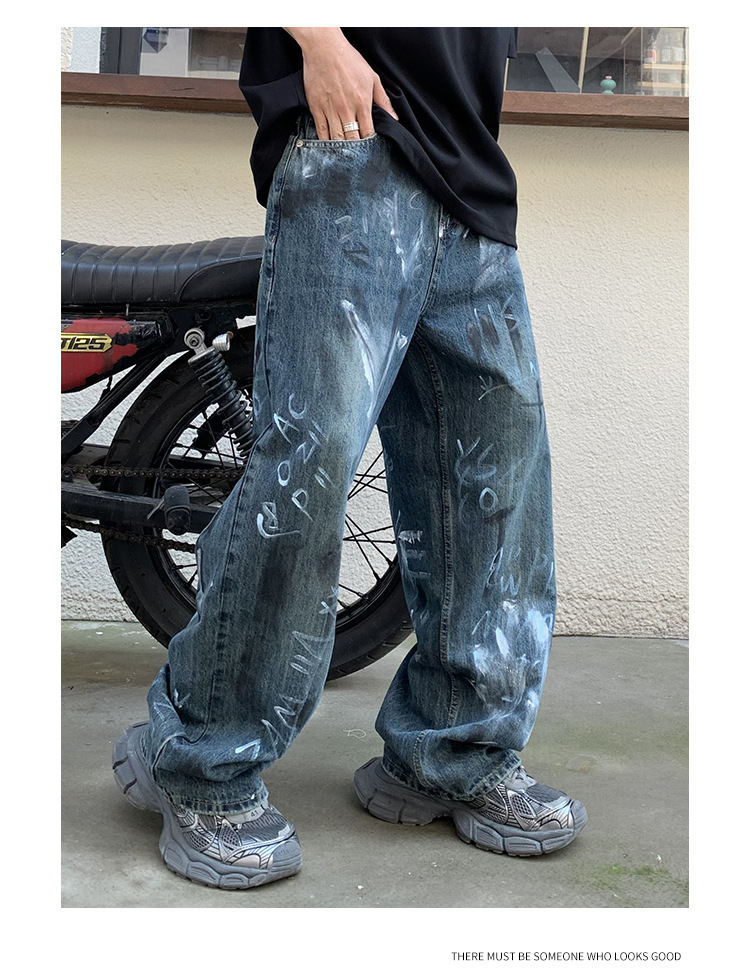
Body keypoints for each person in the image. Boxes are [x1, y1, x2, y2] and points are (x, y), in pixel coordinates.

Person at [113, 27, 587, 890]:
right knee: (308, 469)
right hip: (353, 141)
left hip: (470, 173)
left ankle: (453, 751)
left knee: (499, 476)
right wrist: (321, 39)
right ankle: (203, 756)